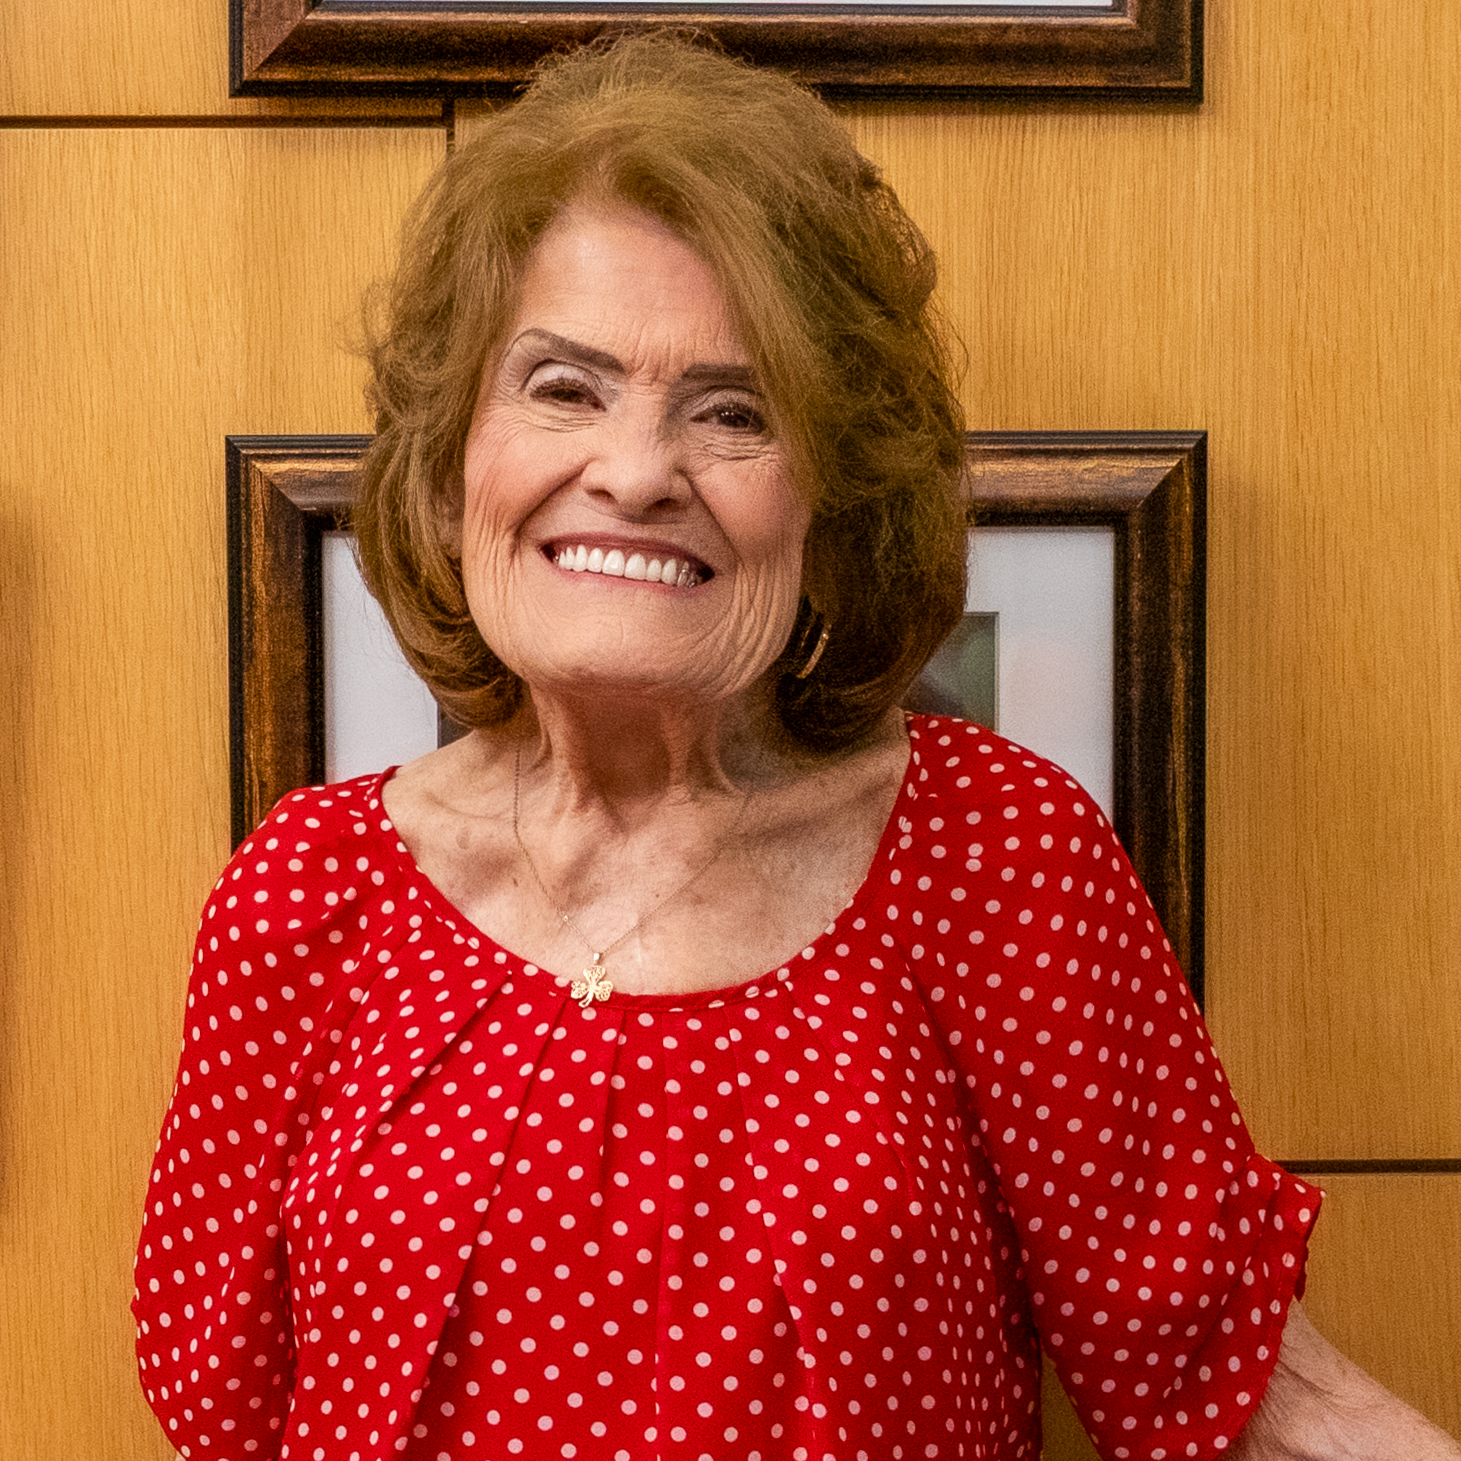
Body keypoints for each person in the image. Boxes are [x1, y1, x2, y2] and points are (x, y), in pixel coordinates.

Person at [133, 34, 1458, 1461]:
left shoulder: (995, 856)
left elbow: (1252, 1395)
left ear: (828, 505)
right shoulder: (301, 893)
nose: (639, 472)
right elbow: (226, 1418)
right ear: (456, 467)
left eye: (734, 413)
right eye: (564, 388)